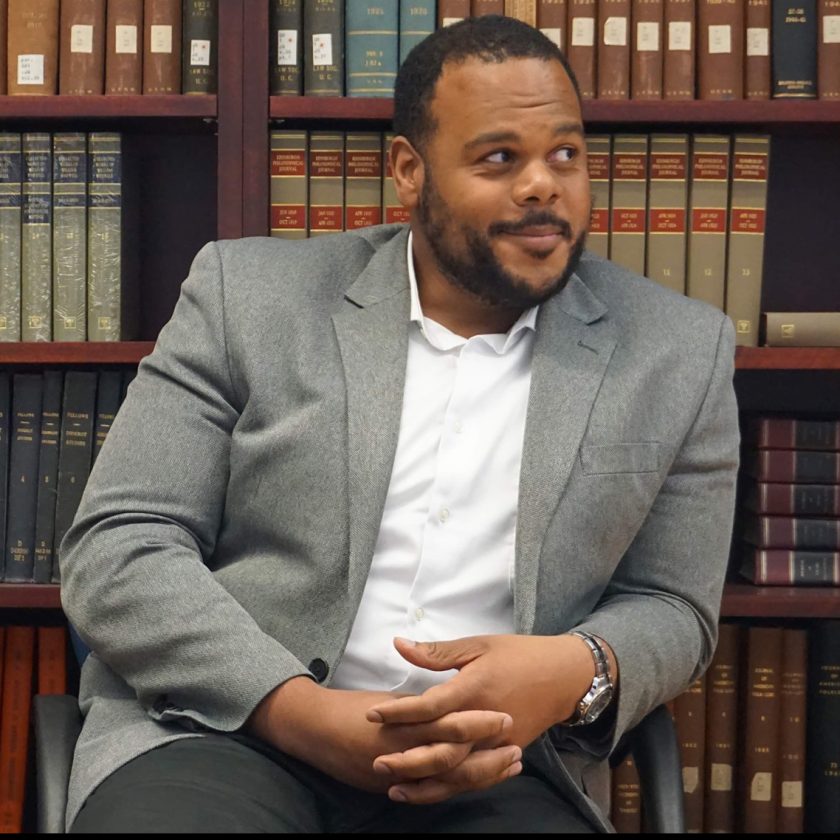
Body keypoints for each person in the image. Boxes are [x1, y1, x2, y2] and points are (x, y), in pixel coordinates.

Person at [61, 15, 739, 834]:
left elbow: (675, 604)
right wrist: (296, 710)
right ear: (409, 172)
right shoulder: (250, 298)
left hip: (496, 764)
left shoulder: (678, 351)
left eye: (566, 153)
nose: (543, 185)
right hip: (228, 732)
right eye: (500, 158)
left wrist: (574, 668)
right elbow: (119, 545)